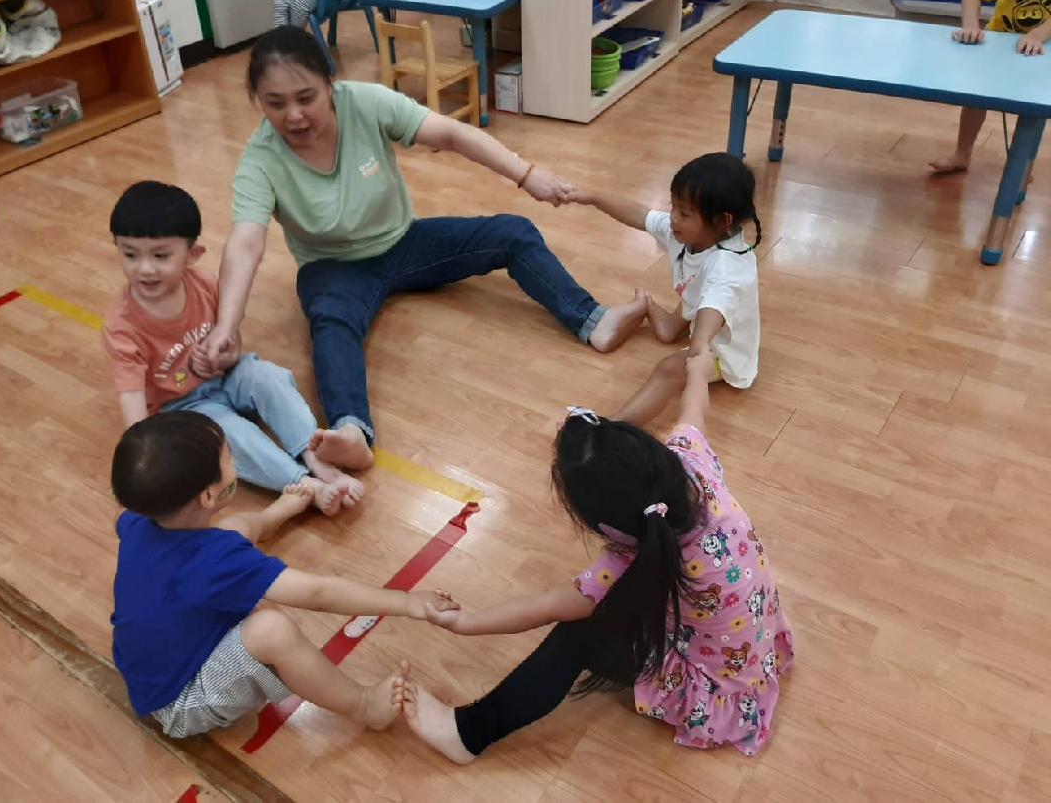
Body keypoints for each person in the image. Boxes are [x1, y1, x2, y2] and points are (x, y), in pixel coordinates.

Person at [198, 27, 650, 467]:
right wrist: (227, 325)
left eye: (306, 97)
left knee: (513, 232)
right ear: (258, 101)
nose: (293, 115)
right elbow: (246, 241)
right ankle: (352, 429)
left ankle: (593, 321)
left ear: (329, 85)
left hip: (404, 242)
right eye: (275, 104)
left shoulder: (365, 103)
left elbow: (452, 135)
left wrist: (527, 175)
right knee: (332, 324)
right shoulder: (260, 158)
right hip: (333, 269)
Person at [401, 355, 794, 762]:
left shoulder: (623, 563)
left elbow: (543, 607)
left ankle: (469, 734)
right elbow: (696, 407)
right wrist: (696, 372)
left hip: (714, 690)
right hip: (753, 650)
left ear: (607, 527)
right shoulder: (692, 462)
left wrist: (463, 622)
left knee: (576, 635)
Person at [110, 410, 458, 737]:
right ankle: (363, 706)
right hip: (181, 704)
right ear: (209, 495)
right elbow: (318, 593)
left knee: (231, 530)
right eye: (228, 456)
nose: (233, 459)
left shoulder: (138, 521)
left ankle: (278, 512)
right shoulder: (218, 560)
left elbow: (196, 555)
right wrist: (408, 602)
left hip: (155, 671)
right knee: (271, 629)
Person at [102, 181, 360, 515]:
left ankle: (315, 454)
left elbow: (233, 343)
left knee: (268, 377)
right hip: (183, 407)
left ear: (192, 255)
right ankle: (302, 482)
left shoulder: (206, 284)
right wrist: (143, 463)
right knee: (229, 434)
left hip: (228, 376)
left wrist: (227, 356)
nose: (145, 268)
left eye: (161, 255)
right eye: (130, 254)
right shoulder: (122, 326)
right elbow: (134, 412)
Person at [569, 153, 761, 425]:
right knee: (672, 327)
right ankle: (655, 312)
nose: (672, 218)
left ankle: (613, 428)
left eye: (683, 213)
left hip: (722, 344)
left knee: (669, 369)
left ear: (722, 221)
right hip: (696, 302)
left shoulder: (728, 267)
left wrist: (699, 345)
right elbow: (639, 215)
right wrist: (591, 197)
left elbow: (715, 306)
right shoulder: (687, 231)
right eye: (673, 207)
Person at [930, 0, 1051, 173]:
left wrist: (1039, 34)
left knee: (1033, 106)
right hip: (1002, 38)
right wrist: (971, 26)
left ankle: (1024, 166)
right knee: (976, 96)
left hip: (1044, 47)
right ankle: (963, 154)